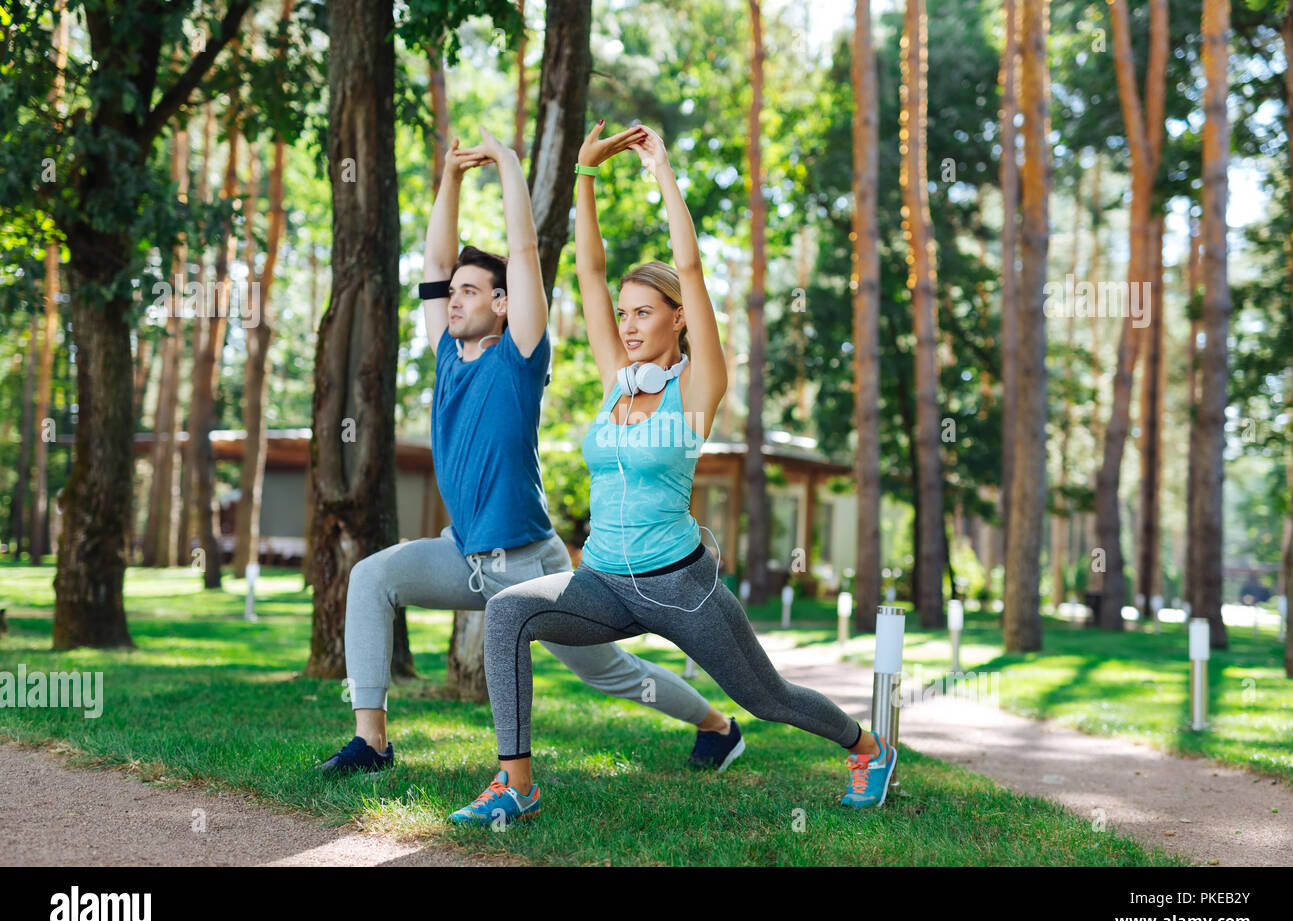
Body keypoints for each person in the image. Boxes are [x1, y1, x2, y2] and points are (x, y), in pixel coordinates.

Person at [449, 122, 896, 827]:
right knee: (508, 611)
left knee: (767, 697)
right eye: (623, 315)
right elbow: (589, 273)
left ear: (677, 321)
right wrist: (586, 178)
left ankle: (868, 746)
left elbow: (690, 270)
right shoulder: (614, 379)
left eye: (644, 314)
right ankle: (516, 784)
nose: (627, 326)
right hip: (598, 581)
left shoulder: (696, 389)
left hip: (680, 588)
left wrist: (661, 169)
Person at [317, 126, 740, 776]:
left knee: (610, 672)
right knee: (373, 576)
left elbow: (521, 248)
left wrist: (510, 162)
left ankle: (717, 727)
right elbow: (433, 267)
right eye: (451, 293)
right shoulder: (446, 359)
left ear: (505, 304)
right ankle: (371, 742)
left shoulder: (520, 355)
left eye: (469, 291)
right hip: (465, 555)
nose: (453, 298)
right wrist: (453, 177)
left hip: (531, 564)